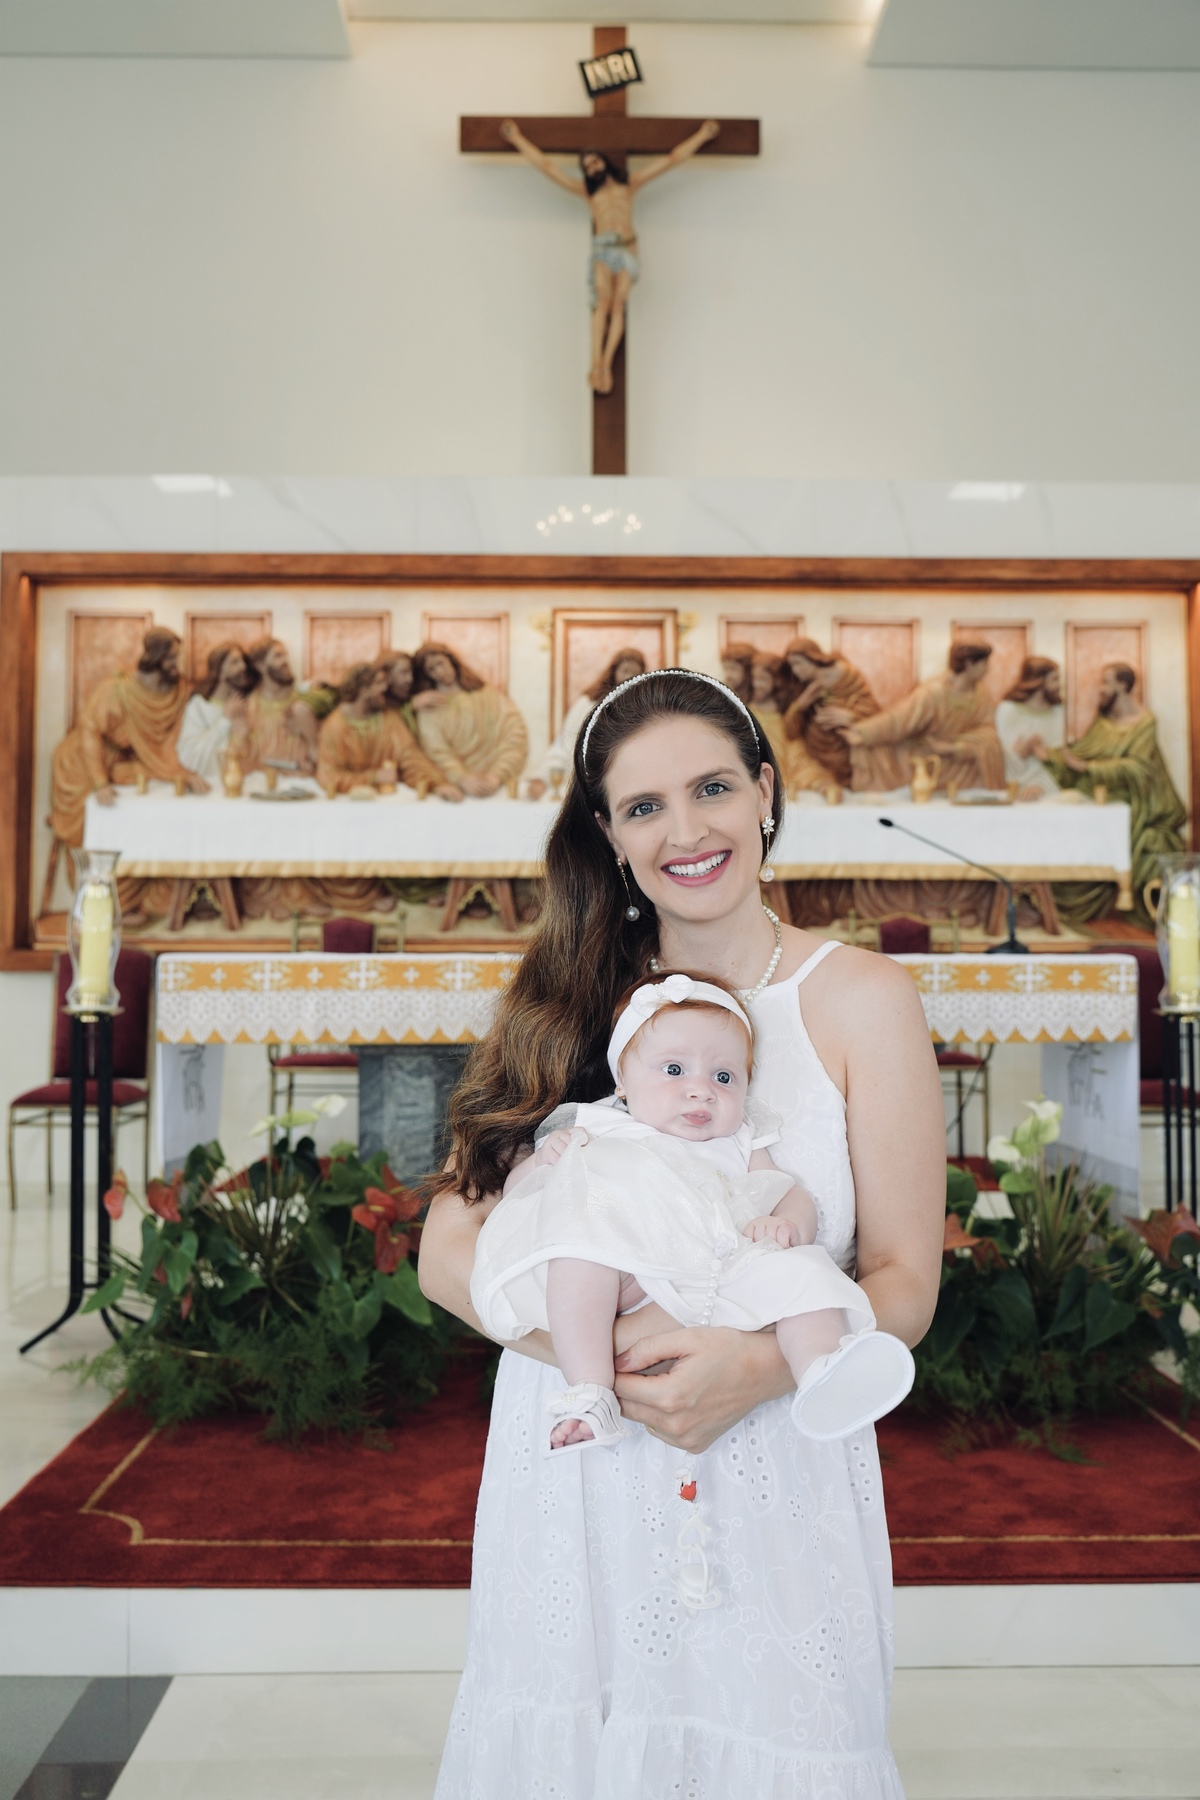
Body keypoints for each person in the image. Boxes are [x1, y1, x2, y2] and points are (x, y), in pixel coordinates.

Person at [420, 666, 944, 1798]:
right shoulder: (567, 1000)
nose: (688, 832)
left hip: (781, 1467)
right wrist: (613, 1365)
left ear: (765, 791)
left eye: (712, 788)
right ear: (609, 836)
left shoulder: (862, 1000)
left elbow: (905, 1279)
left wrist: (756, 1368)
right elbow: (444, 1253)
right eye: (645, 806)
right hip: (580, 1473)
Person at [474, 970, 914, 1458]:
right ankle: (590, 1389)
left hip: (719, 1268)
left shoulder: (741, 1139)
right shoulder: (600, 1126)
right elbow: (519, 1196)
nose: (701, 1090)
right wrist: (544, 1160)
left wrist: (788, 1224)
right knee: (575, 1256)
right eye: (674, 1070)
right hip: (632, 1272)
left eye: (723, 1077)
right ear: (623, 1080)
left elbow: (789, 1194)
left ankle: (821, 1369)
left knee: (803, 1272)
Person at [498, 118, 720, 395]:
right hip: (603, 249)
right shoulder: (587, 192)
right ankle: (595, 364)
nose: (593, 168)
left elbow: (671, 159)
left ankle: (607, 363)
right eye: (587, 167)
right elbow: (546, 166)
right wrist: (516, 138)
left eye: (595, 161)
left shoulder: (630, 183)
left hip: (627, 248)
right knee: (602, 303)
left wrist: (702, 136)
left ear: (604, 161)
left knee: (617, 305)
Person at [1031, 662, 1187, 920]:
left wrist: (1090, 768)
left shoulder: (1144, 723)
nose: (1100, 689)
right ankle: (1045, 896)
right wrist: (1049, 756)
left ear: (1122, 686)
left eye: (1105, 682)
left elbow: (1138, 768)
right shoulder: (1103, 722)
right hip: (1096, 798)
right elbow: (1080, 753)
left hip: (1136, 802)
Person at [50, 627, 206, 845]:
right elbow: (90, 733)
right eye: (171, 658)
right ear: (156, 657)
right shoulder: (117, 690)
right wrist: (100, 782)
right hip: (84, 764)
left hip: (120, 762)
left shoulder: (176, 692)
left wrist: (179, 773)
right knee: (93, 833)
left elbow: (162, 745)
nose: (176, 664)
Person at [840, 642, 1005, 793]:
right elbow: (899, 720)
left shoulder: (981, 694)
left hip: (963, 765)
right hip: (931, 762)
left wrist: (955, 748)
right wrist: (863, 733)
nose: (987, 669)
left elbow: (988, 729)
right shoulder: (933, 692)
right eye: (984, 664)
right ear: (969, 664)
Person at [316, 661, 460, 799]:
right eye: (379, 683)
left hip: (388, 801)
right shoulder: (335, 726)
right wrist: (374, 777)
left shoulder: (389, 720)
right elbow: (328, 776)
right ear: (364, 690)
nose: (385, 688)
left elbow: (411, 758)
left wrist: (437, 784)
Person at [782, 637, 904, 792]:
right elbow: (790, 730)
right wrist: (801, 704)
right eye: (792, 665)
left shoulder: (844, 674)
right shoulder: (802, 685)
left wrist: (852, 716)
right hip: (817, 747)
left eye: (798, 663)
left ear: (812, 658)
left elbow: (872, 709)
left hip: (845, 747)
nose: (795, 670)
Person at [527, 647, 647, 798]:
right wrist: (543, 777)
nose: (629, 677)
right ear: (613, 672)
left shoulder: (645, 708)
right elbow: (564, 746)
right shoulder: (588, 704)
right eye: (625, 671)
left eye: (635, 673)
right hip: (589, 784)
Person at [411, 643, 528, 796]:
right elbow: (435, 750)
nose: (440, 672)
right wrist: (461, 778)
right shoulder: (430, 707)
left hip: (497, 785)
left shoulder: (488, 696)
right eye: (431, 669)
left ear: (452, 661)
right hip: (457, 789)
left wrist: (497, 775)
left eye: (441, 663)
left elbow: (515, 734)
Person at [177, 641, 256, 786]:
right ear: (219, 670)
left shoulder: (248, 705)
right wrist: (224, 722)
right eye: (234, 662)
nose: (243, 667)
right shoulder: (199, 707)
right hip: (208, 785)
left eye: (242, 661)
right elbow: (189, 756)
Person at [749, 650, 827, 796]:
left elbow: (793, 738)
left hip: (789, 755)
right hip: (770, 762)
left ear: (776, 681)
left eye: (763, 680)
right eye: (754, 678)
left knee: (798, 755)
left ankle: (818, 784)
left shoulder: (783, 712)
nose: (756, 684)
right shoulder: (751, 711)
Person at [240, 638, 319, 777]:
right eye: (278, 656)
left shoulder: (302, 703)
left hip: (300, 781)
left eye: (285, 655)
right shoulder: (248, 707)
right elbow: (243, 756)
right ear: (260, 666)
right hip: (261, 781)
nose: (285, 661)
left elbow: (318, 753)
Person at [994, 657, 1065, 800]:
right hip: (1012, 784)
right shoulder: (1007, 710)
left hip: (1047, 786)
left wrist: (1045, 756)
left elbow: (1060, 759)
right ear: (1038, 681)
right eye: (1054, 679)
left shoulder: (1058, 713)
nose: (1059, 685)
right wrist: (1020, 752)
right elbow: (999, 754)